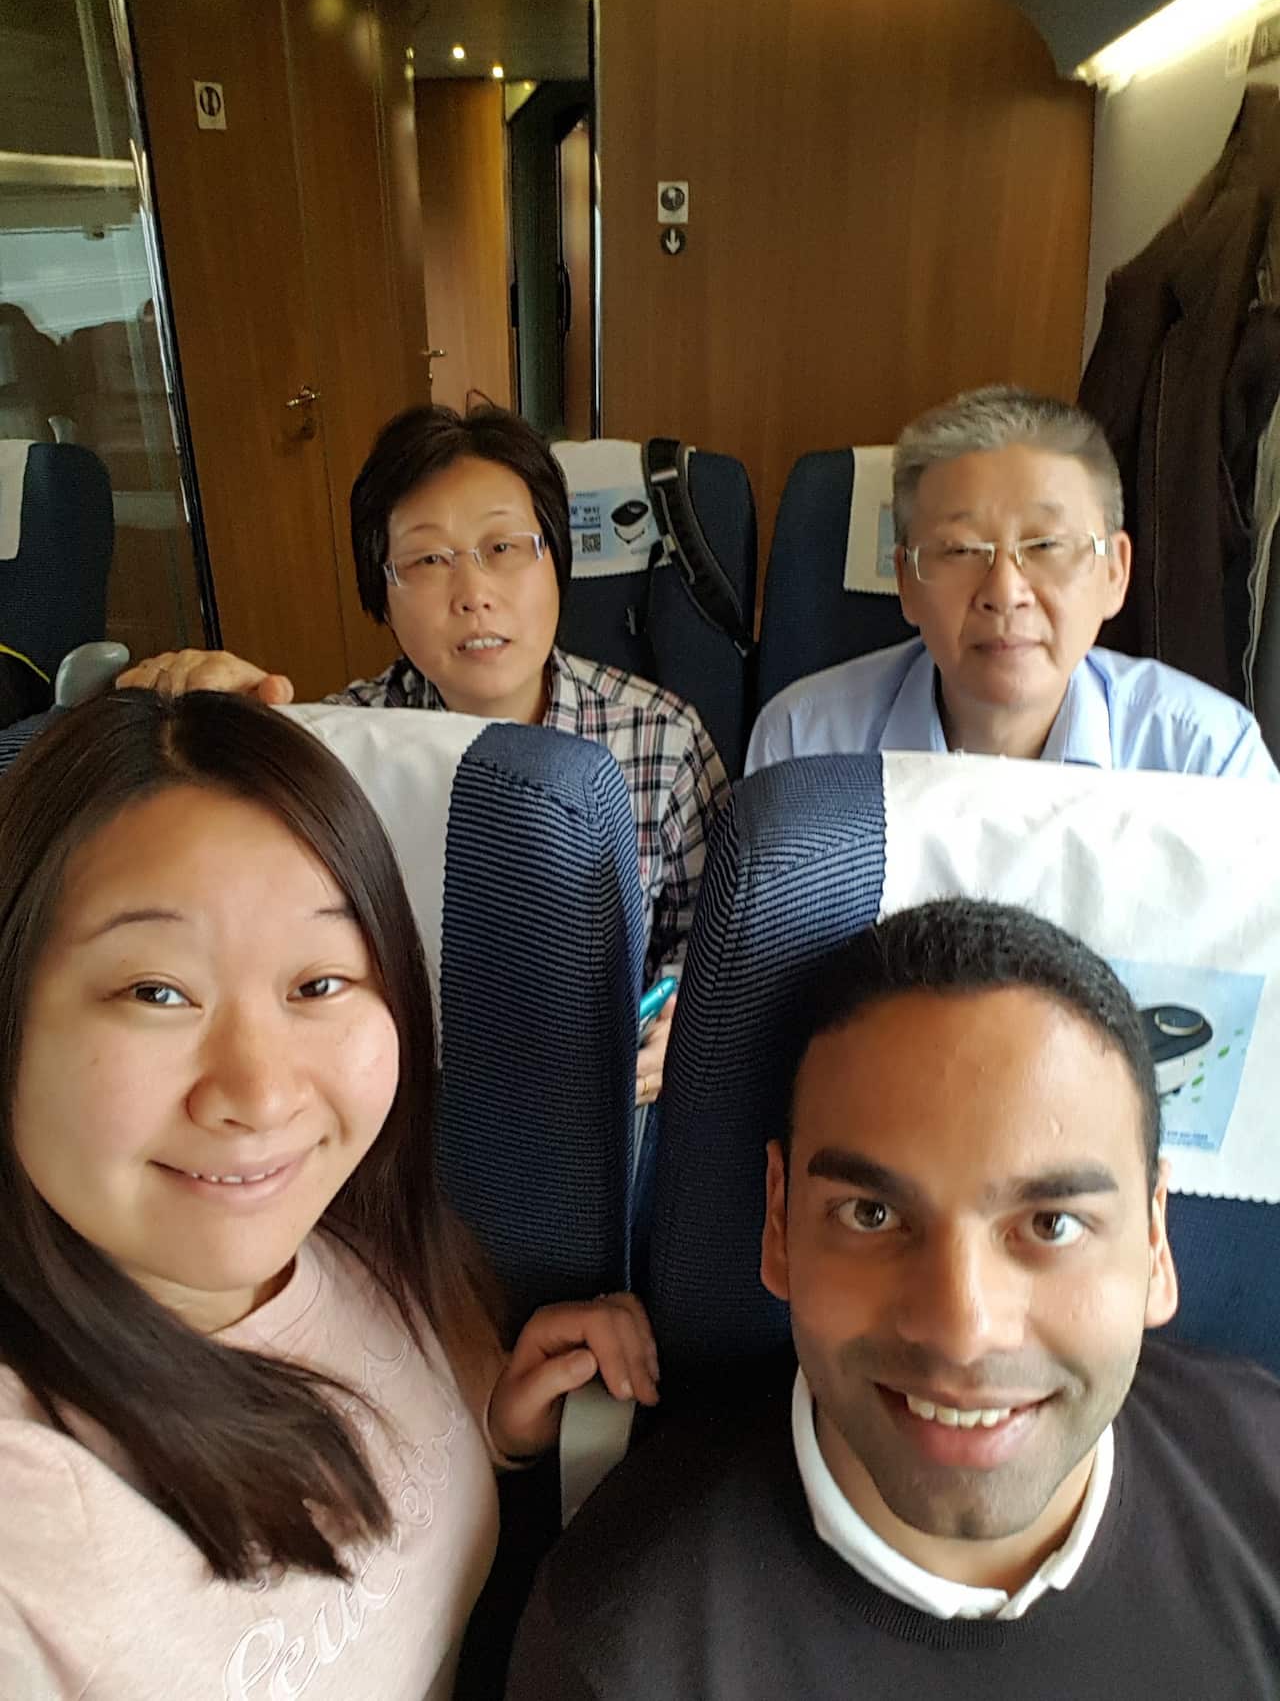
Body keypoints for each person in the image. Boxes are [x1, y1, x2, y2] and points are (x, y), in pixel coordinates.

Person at [0, 689, 658, 1701]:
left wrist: (499, 1425)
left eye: (319, 985)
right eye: (156, 992)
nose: (261, 1093)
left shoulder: (352, 1237)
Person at [505, 899, 1280, 1699]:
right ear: (780, 1222)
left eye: (1051, 1223)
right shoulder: (615, 1653)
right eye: (871, 1215)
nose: (963, 1330)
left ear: (1155, 1241)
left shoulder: (1265, 1476)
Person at [119, 405, 730, 1105]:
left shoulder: (662, 735)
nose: (474, 595)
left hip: (598, 1109)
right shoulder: (339, 744)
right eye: (429, 560)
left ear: (556, 562)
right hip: (387, 1108)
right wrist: (210, 729)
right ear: (381, 593)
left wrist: (685, 1016)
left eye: (504, 548)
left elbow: (704, 944)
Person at [747, 387, 1279, 780]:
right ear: (906, 580)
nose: (1004, 591)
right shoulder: (803, 745)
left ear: (1114, 573)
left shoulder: (1207, 762)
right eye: (959, 550)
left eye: (1046, 546)